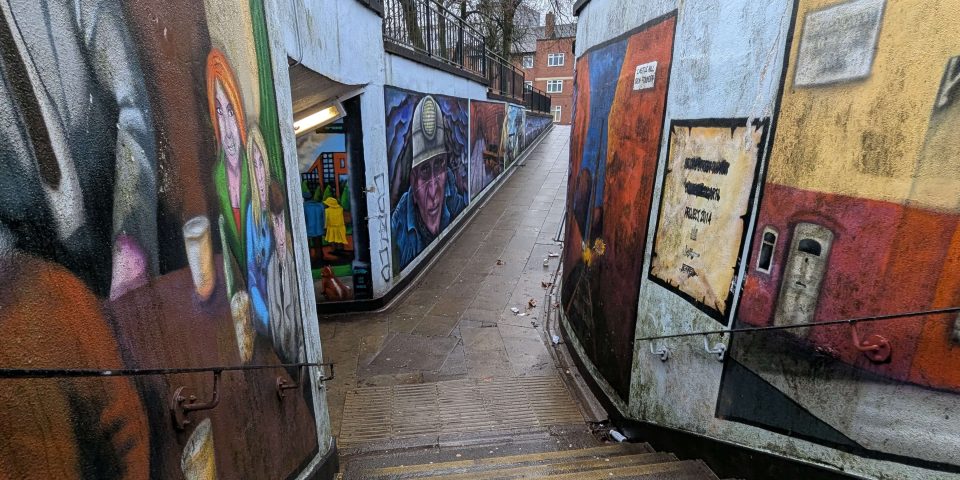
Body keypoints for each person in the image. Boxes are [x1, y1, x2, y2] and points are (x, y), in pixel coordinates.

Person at [391, 96, 465, 270]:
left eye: (439, 165)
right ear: (412, 178)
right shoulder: (397, 227)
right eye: (424, 171)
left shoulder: (452, 195)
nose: (433, 192)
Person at [206, 48, 250, 296]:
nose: (227, 128)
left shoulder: (255, 174)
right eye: (219, 111)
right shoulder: (216, 179)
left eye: (230, 111)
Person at [267, 180, 304, 365]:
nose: (279, 229)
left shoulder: (292, 260)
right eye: (275, 221)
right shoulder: (270, 266)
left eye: (281, 220)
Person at [245, 127, 273, 335]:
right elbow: (252, 275)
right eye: (253, 165)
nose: (259, 172)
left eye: (260, 162)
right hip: (266, 315)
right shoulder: (251, 214)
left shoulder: (278, 204)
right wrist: (266, 316)